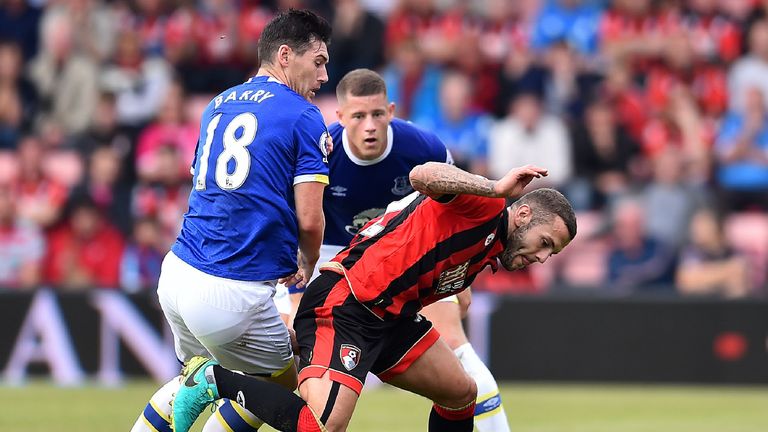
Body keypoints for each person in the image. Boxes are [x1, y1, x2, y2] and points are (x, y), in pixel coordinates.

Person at [171, 162, 577, 432]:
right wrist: (495, 186)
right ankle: (211, 379)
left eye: (551, 254)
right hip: (347, 303)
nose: (542, 257)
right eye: (545, 243)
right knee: (321, 427)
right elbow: (422, 175)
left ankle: (279, 346)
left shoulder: (489, 247)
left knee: (461, 393)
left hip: (393, 320)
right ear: (522, 215)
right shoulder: (485, 205)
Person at [130, 9, 332, 432]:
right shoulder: (302, 115)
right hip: (231, 291)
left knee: (191, 380)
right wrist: (306, 266)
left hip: (178, 274)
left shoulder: (216, 104)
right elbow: (311, 220)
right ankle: (210, 385)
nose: (324, 76)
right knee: (285, 389)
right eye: (318, 62)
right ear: (284, 56)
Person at [276, 68, 511, 431]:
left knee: (457, 353)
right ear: (340, 117)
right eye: (358, 116)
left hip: (413, 259)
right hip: (332, 257)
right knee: (280, 373)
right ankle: (213, 390)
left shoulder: (424, 148)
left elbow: (458, 211)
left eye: (377, 115)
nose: (369, 125)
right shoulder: (321, 150)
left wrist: (461, 282)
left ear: (392, 110)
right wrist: (294, 292)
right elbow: (295, 224)